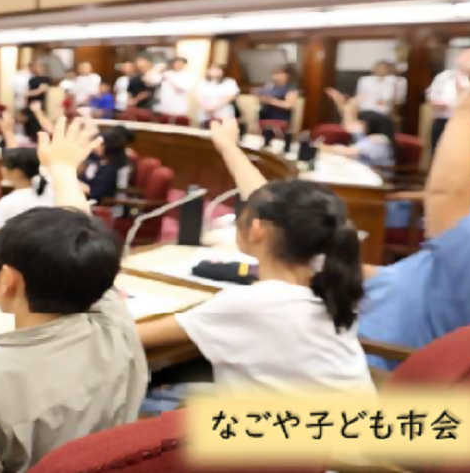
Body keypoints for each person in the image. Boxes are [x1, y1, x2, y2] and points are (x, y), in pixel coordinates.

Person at [0, 117, 147, 473]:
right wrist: (63, 170)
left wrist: (62, 169)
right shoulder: (117, 327)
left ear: (8, 280)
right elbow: (84, 248)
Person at [137, 118, 375, 398]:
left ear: (257, 229)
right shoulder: (325, 274)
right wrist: (228, 146)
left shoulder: (252, 304)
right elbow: (272, 207)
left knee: (151, 396)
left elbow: (134, 337)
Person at [359, 63, 470, 370]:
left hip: (377, 371)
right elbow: (393, 279)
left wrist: (467, 109)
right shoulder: (447, 257)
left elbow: (448, 194)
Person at [427, 47, 470, 150]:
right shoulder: (444, 77)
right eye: (464, 55)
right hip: (444, 122)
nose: (466, 59)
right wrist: (457, 105)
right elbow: (434, 101)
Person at [322, 88, 397, 168]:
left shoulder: (378, 140)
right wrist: (341, 102)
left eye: (362, 122)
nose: (359, 124)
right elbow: (349, 124)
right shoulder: (366, 136)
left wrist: (322, 147)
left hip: (374, 174)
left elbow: (348, 152)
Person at [0, 148, 51, 230]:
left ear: (17, 172)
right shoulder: (49, 192)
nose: (1, 169)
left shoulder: (10, 202)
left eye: (4, 166)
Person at [79, 126, 132, 203]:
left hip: (100, 204)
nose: (96, 147)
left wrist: (83, 188)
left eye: (101, 144)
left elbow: (96, 193)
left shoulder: (110, 169)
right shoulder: (99, 161)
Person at [256, 66, 299, 138]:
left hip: (280, 120)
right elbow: (261, 99)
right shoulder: (269, 86)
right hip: (264, 118)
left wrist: (271, 100)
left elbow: (289, 105)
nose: (276, 76)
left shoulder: (290, 88)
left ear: (286, 76)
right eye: (274, 74)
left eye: (279, 74)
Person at [24, 62, 52, 139]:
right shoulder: (31, 79)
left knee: (38, 122)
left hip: (40, 104)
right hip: (30, 104)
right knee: (29, 122)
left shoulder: (46, 79)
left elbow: (43, 90)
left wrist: (32, 93)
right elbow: (27, 93)